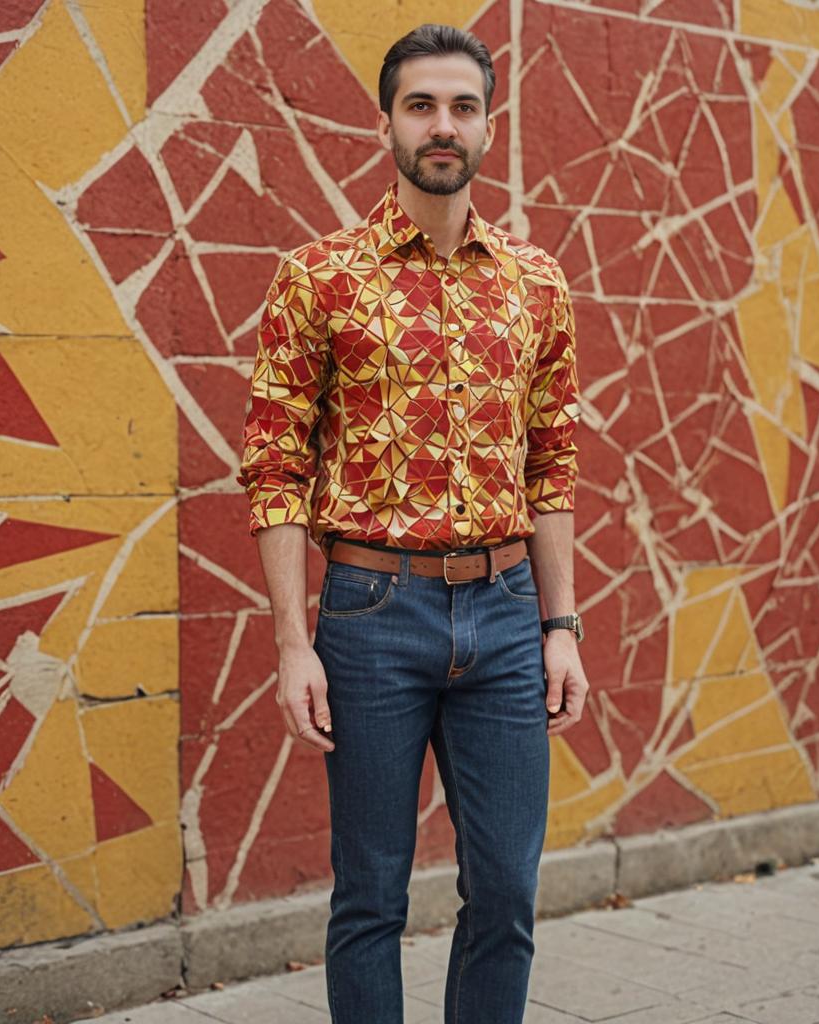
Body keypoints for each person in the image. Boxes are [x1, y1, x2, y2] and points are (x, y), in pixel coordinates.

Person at [239, 23, 589, 1024]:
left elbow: (552, 462)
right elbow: (273, 466)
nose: (444, 126)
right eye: (422, 105)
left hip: (507, 611)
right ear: (387, 118)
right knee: (369, 896)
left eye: (463, 106)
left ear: (488, 124)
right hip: (369, 615)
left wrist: (560, 624)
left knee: (509, 892)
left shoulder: (537, 284)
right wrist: (292, 644)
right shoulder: (317, 278)